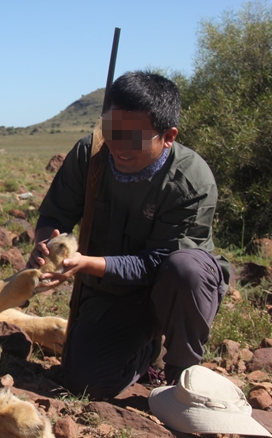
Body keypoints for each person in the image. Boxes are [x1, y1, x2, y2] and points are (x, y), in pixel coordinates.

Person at [28, 71, 230, 399]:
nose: (119, 146)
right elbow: (55, 213)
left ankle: (181, 374)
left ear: (168, 137)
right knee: (84, 381)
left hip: (172, 291)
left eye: (133, 137)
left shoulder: (192, 180)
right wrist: (46, 241)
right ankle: (147, 350)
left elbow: (158, 262)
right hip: (112, 293)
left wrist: (87, 264)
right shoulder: (90, 155)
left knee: (187, 269)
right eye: (111, 130)